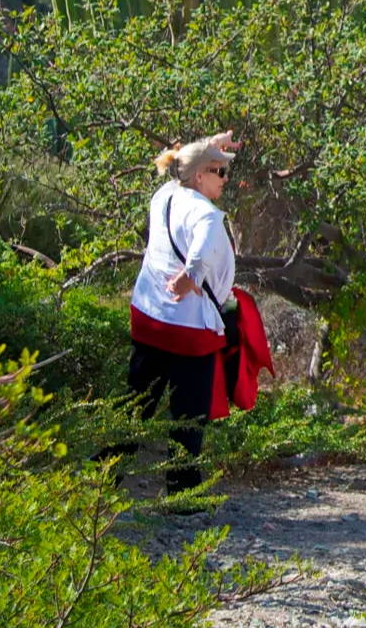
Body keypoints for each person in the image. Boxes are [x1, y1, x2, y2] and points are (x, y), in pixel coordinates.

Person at [128, 131, 272, 502]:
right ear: (199, 177)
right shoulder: (205, 213)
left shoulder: (165, 194)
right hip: (188, 328)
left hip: (148, 316)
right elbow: (205, 245)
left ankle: (102, 475)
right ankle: (182, 494)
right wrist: (190, 276)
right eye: (219, 172)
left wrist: (209, 145)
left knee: (135, 403)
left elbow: (184, 161)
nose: (225, 180)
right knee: (189, 415)